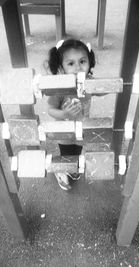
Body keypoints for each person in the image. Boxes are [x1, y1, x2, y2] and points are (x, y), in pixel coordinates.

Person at [46, 39, 96, 190]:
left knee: (78, 149)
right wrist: (64, 113)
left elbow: (103, 89)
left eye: (82, 61)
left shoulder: (89, 82)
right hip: (65, 131)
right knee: (67, 152)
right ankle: (62, 169)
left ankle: (72, 166)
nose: (78, 68)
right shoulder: (60, 86)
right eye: (71, 63)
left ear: (89, 63)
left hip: (81, 128)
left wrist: (108, 85)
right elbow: (50, 108)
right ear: (61, 67)